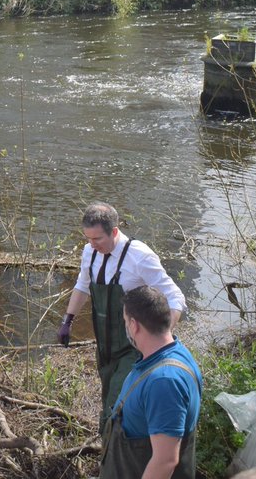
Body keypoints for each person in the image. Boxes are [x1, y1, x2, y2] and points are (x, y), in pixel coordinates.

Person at [57, 202, 187, 422]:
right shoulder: (90, 252)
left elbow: (176, 298)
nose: (92, 244)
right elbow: (82, 285)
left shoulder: (140, 257)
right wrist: (68, 321)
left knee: (117, 407)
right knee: (108, 398)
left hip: (133, 349)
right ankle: (109, 448)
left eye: (97, 239)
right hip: (105, 346)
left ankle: (117, 450)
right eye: (88, 238)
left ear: (114, 231)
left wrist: (161, 339)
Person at [101, 286, 202, 479]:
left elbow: (165, 461)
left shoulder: (164, 382)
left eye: (125, 321)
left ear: (134, 325)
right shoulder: (174, 352)